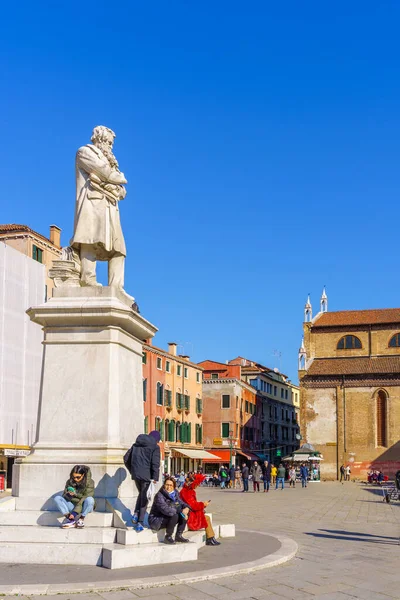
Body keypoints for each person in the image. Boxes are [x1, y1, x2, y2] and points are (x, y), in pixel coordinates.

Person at [71, 125, 128, 288]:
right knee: (89, 240)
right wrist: (116, 180)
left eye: (111, 143)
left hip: (110, 207)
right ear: (99, 140)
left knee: (119, 249)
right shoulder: (85, 152)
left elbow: (122, 192)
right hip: (92, 203)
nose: (110, 146)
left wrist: (112, 185)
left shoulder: (110, 161)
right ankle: (88, 279)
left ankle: (116, 287)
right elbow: (105, 173)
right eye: (108, 142)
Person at [124, 430, 161, 532]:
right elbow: (155, 464)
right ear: (156, 439)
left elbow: (126, 458)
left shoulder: (136, 445)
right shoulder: (155, 447)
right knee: (145, 498)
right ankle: (140, 522)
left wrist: (132, 470)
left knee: (142, 494)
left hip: (136, 474)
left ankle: (136, 513)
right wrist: (155, 478)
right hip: (147, 476)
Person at [180, 473, 221, 546]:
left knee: (206, 517)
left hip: (191, 512)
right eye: (197, 484)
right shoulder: (185, 492)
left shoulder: (189, 491)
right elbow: (192, 505)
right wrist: (203, 504)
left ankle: (211, 538)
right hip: (190, 515)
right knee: (207, 518)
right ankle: (210, 538)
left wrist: (202, 506)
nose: (198, 485)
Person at [148, 477, 190, 544]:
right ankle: (168, 536)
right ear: (164, 485)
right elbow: (165, 509)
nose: (168, 487)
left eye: (171, 485)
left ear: (174, 486)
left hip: (167, 517)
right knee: (174, 515)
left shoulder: (175, 493)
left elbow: (181, 503)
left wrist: (186, 508)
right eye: (167, 485)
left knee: (186, 512)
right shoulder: (159, 495)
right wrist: (180, 512)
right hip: (157, 520)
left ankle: (178, 535)